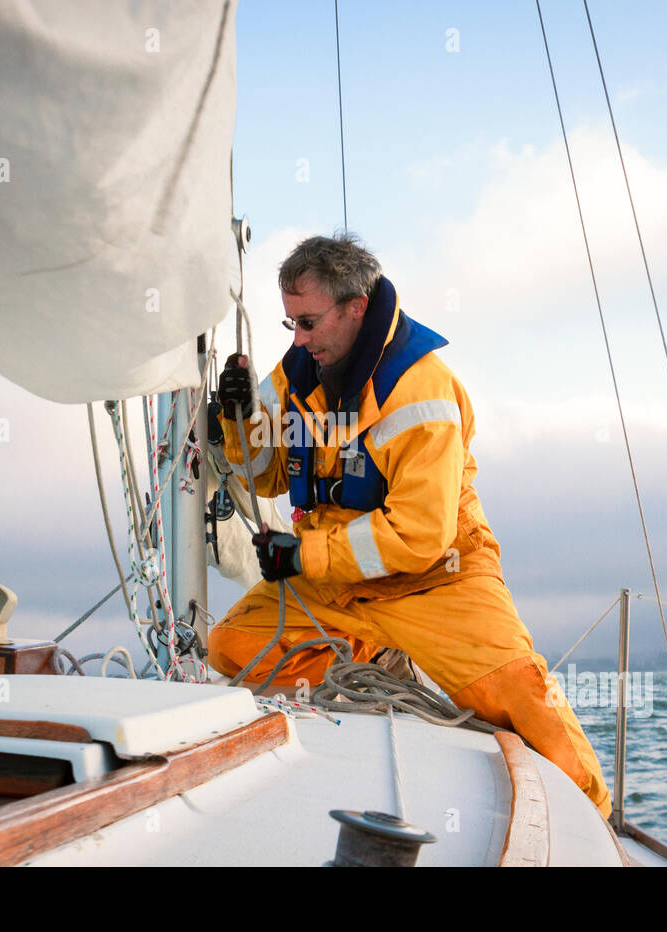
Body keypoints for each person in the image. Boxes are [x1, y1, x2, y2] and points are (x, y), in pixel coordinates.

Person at [209, 234, 611, 818]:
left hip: (437, 577)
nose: (298, 339)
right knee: (233, 646)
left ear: (356, 307)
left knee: (525, 700)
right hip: (336, 576)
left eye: (309, 322)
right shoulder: (297, 373)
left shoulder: (423, 393)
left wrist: (303, 557)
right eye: (291, 322)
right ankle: (373, 660)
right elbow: (263, 476)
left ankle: (597, 822)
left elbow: (420, 535)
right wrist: (238, 415)